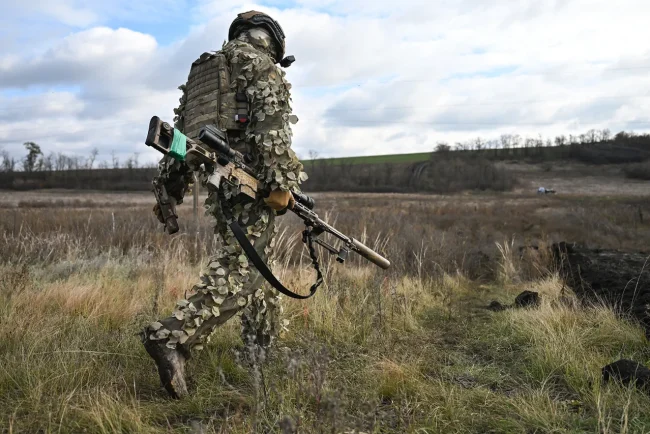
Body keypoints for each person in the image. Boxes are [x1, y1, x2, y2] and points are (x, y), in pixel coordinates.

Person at [141, 10, 306, 398]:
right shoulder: (259, 65)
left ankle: (260, 350)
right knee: (242, 267)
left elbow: (182, 138)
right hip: (250, 181)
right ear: (271, 41)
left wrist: (170, 190)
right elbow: (272, 125)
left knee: (256, 263)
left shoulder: (207, 71)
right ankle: (173, 337)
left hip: (220, 179)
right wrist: (281, 183)